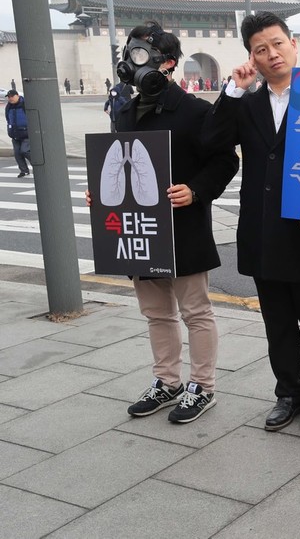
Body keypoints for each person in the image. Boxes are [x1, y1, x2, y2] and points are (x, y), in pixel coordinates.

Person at [88, 21, 239, 423]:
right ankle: (167, 381)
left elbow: (226, 160)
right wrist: (101, 199)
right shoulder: (124, 109)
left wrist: (195, 189)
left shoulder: (196, 110)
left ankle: (202, 386)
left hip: (184, 228)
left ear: (168, 63)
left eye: (142, 54)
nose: (133, 62)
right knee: (156, 313)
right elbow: (116, 162)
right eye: (130, 53)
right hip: (142, 231)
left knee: (196, 311)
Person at [204, 11, 300, 432]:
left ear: (293, 44)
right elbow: (211, 142)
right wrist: (231, 90)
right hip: (263, 230)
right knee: (277, 321)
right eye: (261, 49)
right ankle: (287, 392)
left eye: (278, 43)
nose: (272, 53)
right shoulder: (247, 103)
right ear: (252, 57)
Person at [5, 89, 30, 178]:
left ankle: (38, 166)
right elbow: (8, 119)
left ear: (17, 96)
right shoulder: (8, 107)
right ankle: (24, 170)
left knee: (24, 150)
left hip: (26, 133)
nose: (10, 98)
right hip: (15, 134)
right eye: (9, 97)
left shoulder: (24, 104)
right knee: (17, 153)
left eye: (12, 96)